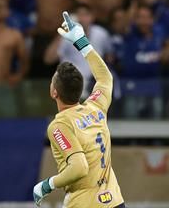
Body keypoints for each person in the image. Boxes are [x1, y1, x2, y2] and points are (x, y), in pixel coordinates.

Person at [33, 12, 125, 208]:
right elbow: (105, 78)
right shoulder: (96, 107)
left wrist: (47, 185)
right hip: (114, 201)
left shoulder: (60, 125)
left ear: (54, 92)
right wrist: (82, 42)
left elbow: (79, 167)